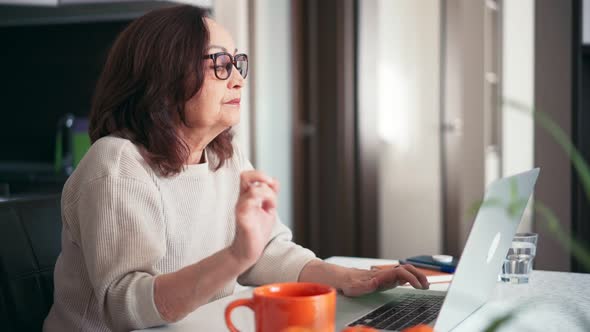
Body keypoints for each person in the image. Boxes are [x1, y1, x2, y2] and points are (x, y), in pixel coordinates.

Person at [43, 5, 429, 332]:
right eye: (220, 64)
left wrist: (353, 279)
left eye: (238, 63)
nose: (240, 79)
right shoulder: (118, 162)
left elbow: (266, 252)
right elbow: (124, 305)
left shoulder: (223, 157)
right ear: (164, 74)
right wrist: (236, 256)